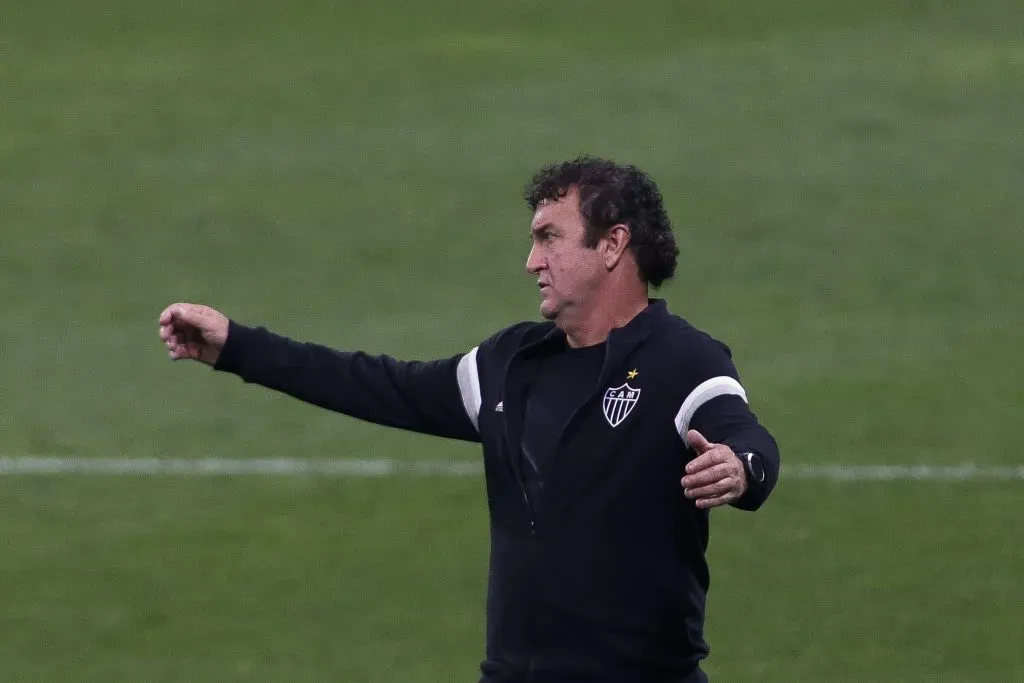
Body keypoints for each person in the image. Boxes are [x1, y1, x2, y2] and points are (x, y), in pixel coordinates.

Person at [158, 157, 780, 683]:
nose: (531, 261)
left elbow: (744, 434)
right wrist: (235, 346)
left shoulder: (680, 359)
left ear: (613, 244)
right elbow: (374, 384)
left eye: (548, 237)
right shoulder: (510, 364)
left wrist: (739, 468)